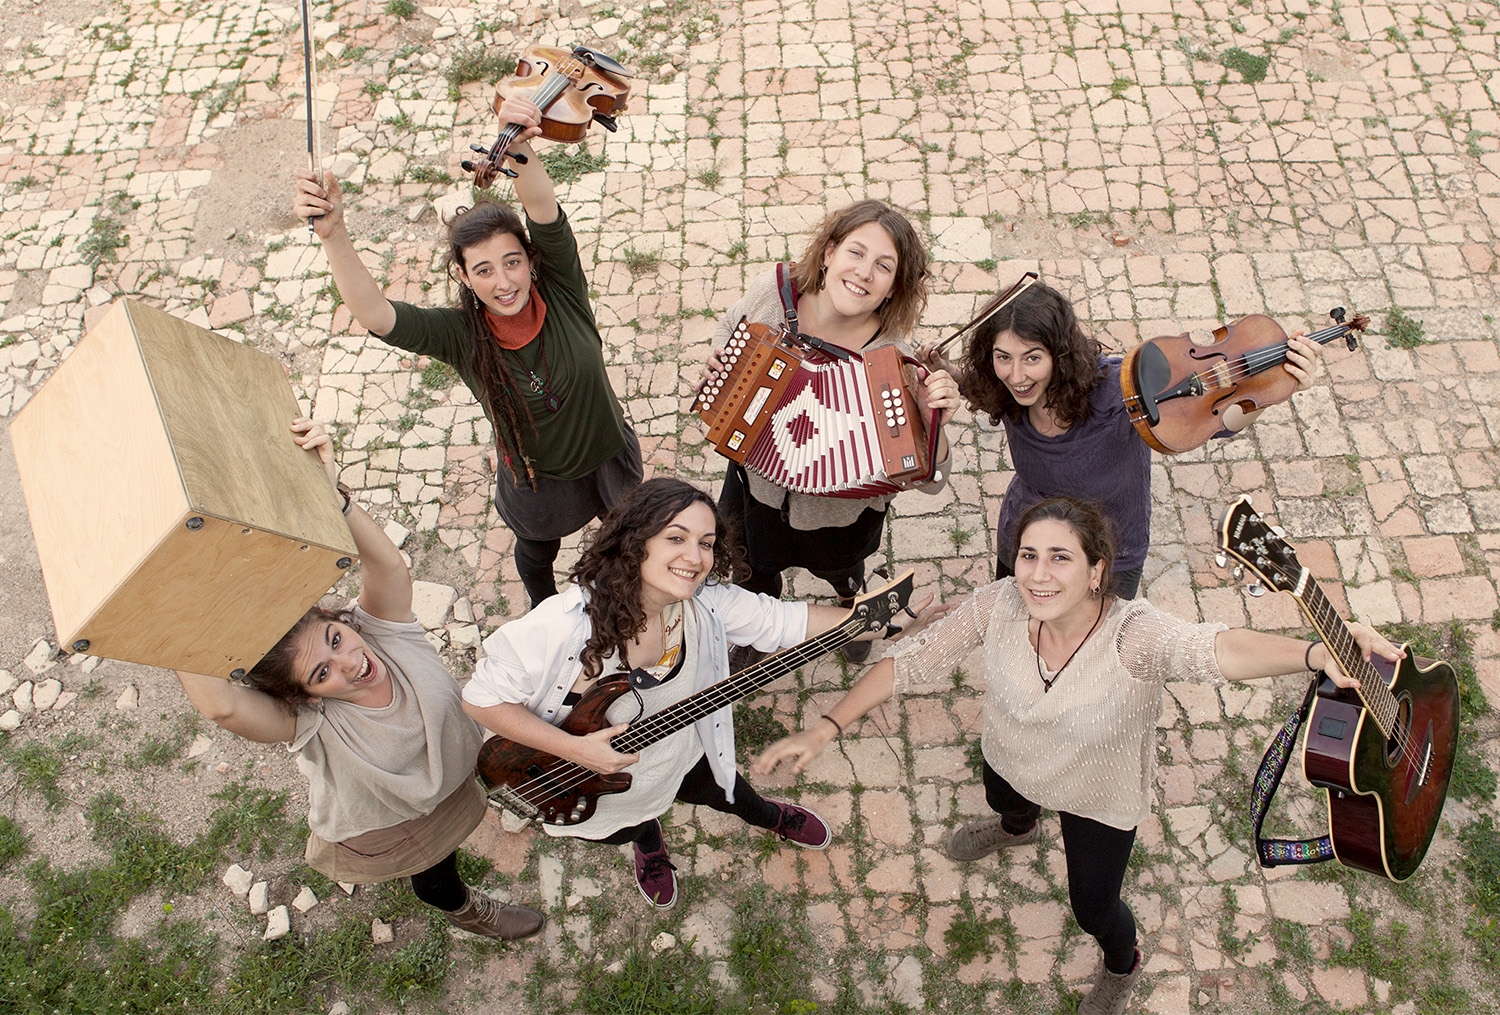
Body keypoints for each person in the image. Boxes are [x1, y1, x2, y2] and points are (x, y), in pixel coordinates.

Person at [754, 496, 1401, 1015]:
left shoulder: (1133, 636)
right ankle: (1018, 828)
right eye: (1028, 555)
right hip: (1011, 756)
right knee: (1005, 800)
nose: (1037, 574)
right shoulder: (1000, 603)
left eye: (1060, 557)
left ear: (1096, 571)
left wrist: (1313, 654)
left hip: (1098, 791)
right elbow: (910, 661)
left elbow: (1216, 649)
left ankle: (1122, 963)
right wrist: (826, 728)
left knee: (1094, 905)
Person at [461, 477, 942, 910]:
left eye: (706, 544)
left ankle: (769, 816)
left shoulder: (705, 603)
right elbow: (480, 699)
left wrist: (881, 625)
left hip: (680, 752)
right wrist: (576, 751)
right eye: (676, 538)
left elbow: (784, 622)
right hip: (586, 784)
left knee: (728, 793)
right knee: (630, 826)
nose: (695, 558)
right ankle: (648, 844)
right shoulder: (558, 628)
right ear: (635, 541)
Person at [174, 419, 544, 940]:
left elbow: (388, 566)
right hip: (393, 823)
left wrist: (332, 495)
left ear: (338, 619)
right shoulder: (312, 722)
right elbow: (224, 706)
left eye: (334, 639)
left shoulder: (382, 632)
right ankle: (464, 910)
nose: (349, 662)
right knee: (435, 875)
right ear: (304, 696)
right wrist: (174, 610)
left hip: (457, 774)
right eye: (322, 673)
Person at [293, 94, 641, 609]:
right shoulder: (460, 334)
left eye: (512, 262)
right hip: (536, 479)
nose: (504, 282)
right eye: (483, 270)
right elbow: (376, 316)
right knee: (537, 551)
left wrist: (518, 141)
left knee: (630, 542)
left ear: (531, 260)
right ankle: (542, 607)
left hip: (606, 452)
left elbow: (542, 208)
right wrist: (333, 234)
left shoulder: (562, 287)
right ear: (463, 276)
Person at [934, 279, 1323, 598]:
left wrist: (1279, 384)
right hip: (1028, 536)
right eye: (1003, 357)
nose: (1016, 375)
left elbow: (1220, 419)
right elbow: (977, 388)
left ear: (1059, 355)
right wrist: (946, 371)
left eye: (1032, 358)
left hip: (1108, 552)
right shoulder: (1002, 385)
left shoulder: (1121, 394)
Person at [702, 201, 961, 665]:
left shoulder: (892, 363)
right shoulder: (773, 294)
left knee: (842, 571)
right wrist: (724, 362)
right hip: (754, 490)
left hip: (838, 518)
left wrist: (931, 421)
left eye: (884, 266)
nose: (864, 273)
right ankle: (755, 630)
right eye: (856, 253)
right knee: (750, 567)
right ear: (828, 253)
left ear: (894, 287)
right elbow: (729, 326)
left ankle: (851, 611)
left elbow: (930, 481)